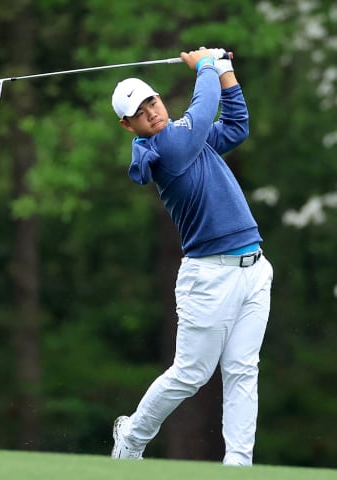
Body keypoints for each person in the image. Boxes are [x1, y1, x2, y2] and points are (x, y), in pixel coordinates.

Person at [109, 47, 273, 466]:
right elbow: (203, 113)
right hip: (209, 276)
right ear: (128, 125)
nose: (151, 112)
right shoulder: (168, 148)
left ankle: (238, 464)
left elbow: (235, 127)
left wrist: (227, 71)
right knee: (191, 374)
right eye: (139, 112)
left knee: (242, 370)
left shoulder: (185, 134)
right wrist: (205, 65)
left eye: (152, 101)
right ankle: (132, 436)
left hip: (254, 269)